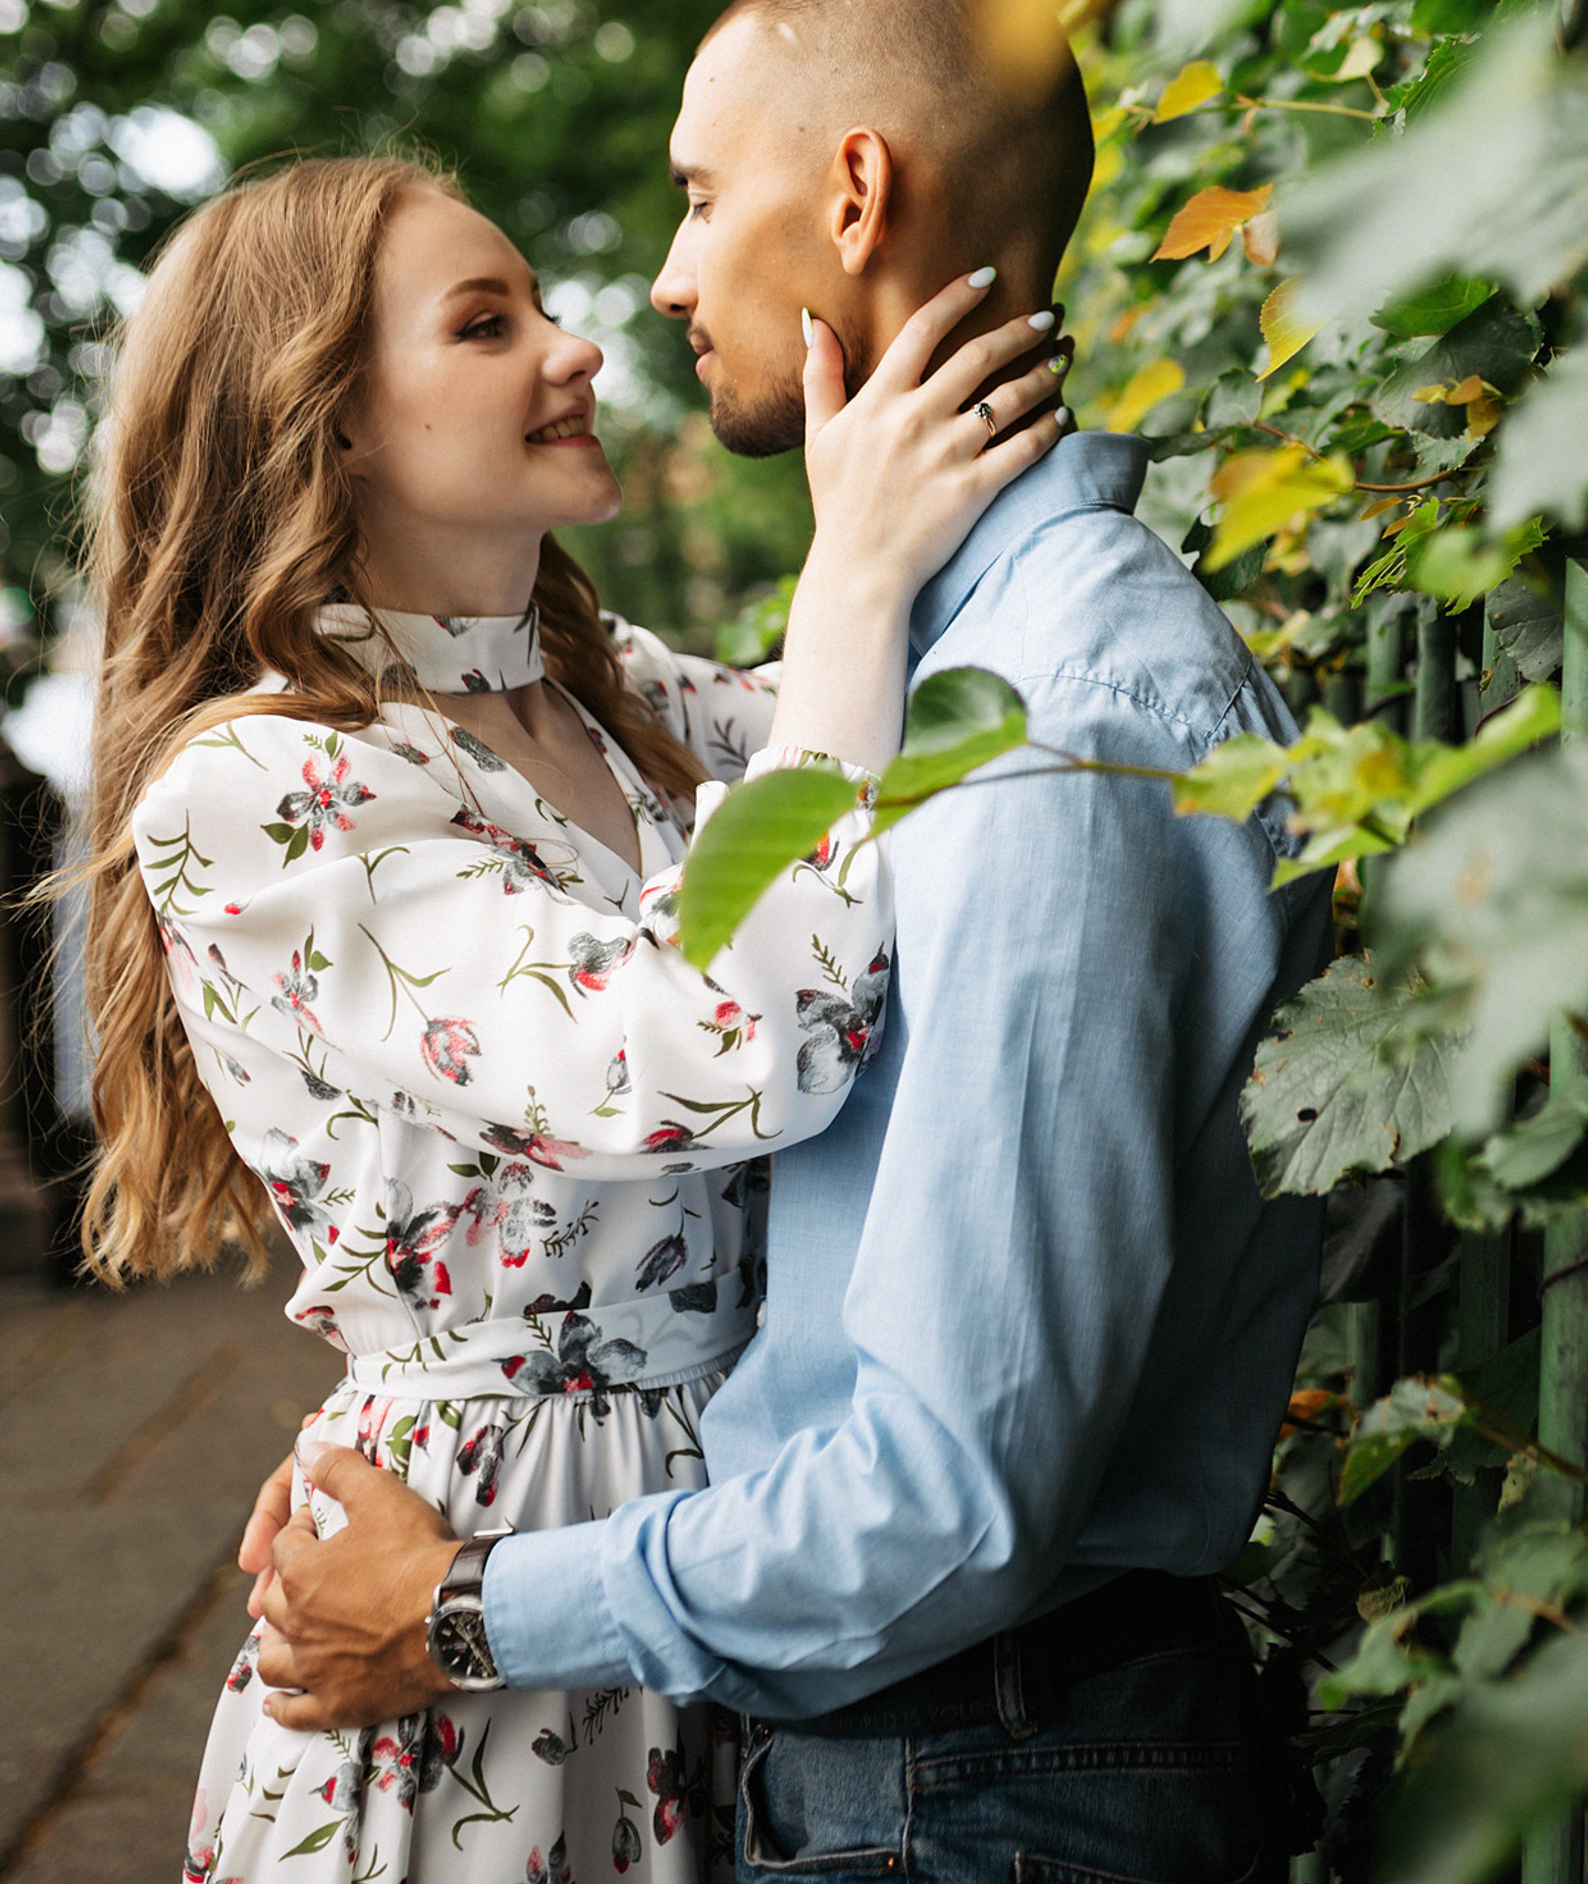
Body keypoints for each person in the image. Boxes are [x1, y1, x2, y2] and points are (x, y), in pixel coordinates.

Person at [244, 0, 1333, 1882]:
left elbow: (942, 1497)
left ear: (852, 194)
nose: (655, 288)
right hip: (924, 1760)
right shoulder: (940, 677)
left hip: (981, 1781)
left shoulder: (1045, 734)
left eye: (694, 193)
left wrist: (462, 1604)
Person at [79, 144, 1070, 1882]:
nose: (578, 346)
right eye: (488, 324)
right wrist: (848, 577)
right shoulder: (266, 788)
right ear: (327, 422)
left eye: (540, 303)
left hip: (737, 1538)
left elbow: (919, 754)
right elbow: (712, 1053)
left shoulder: (620, 704)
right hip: (469, 1582)